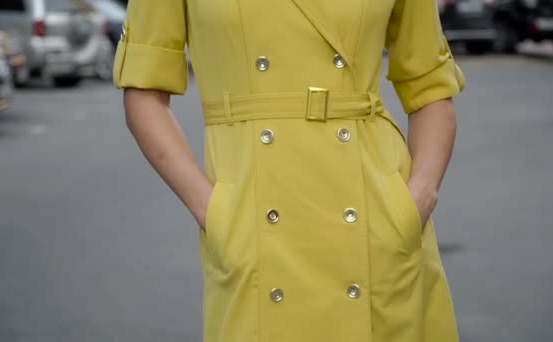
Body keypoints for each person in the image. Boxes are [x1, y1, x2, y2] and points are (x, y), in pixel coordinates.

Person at [113, 0, 465, 341]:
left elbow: (430, 87)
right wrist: (212, 209)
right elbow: (143, 94)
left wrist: (419, 196)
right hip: (253, 224)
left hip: (377, 219)